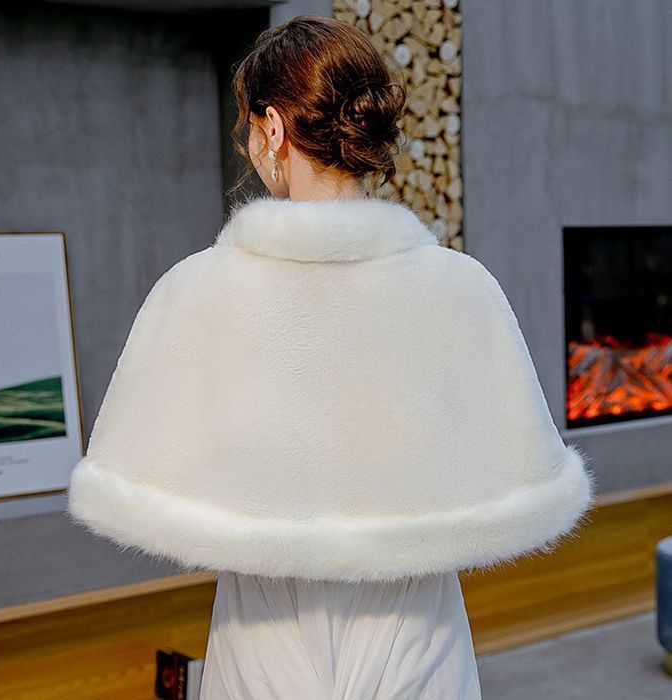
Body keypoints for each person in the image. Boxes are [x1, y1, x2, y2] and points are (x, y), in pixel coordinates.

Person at [66, 15, 596, 700]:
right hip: (417, 627)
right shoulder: (462, 289)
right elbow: (523, 463)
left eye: (249, 126)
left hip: (263, 628)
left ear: (274, 129)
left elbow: (135, 470)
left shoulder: (197, 291)